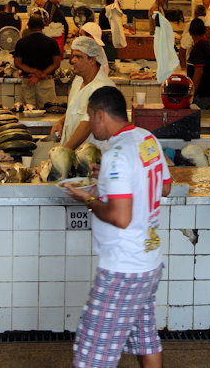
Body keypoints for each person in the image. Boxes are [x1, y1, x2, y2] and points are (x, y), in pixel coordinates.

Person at [65, 86, 171, 368]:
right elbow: (166, 185)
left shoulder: (115, 153)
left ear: (100, 114)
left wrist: (89, 199)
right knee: (146, 338)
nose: (90, 125)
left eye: (90, 116)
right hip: (149, 262)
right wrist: (109, 180)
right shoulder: (147, 139)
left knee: (93, 356)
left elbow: (120, 217)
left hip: (123, 269)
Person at [51, 36, 115, 150]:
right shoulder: (78, 81)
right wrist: (61, 121)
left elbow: (87, 125)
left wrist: (64, 152)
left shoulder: (103, 88)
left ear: (92, 60)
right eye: (72, 56)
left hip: (94, 158)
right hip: (75, 154)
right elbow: (74, 109)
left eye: (78, 56)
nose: (72, 60)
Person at [12, 15, 61, 108]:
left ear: (28, 26)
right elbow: (56, 63)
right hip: (46, 82)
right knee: (48, 112)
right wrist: (40, 74)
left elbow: (17, 63)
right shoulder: (52, 42)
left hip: (28, 82)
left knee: (27, 113)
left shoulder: (21, 43)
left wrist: (34, 72)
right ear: (43, 26)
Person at [186, 18, 210, 110]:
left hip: (201, 94)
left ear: (190, 32)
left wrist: (192, 92)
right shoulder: (209, 45)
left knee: (197, 121)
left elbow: (198, 71)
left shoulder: (199, 48)